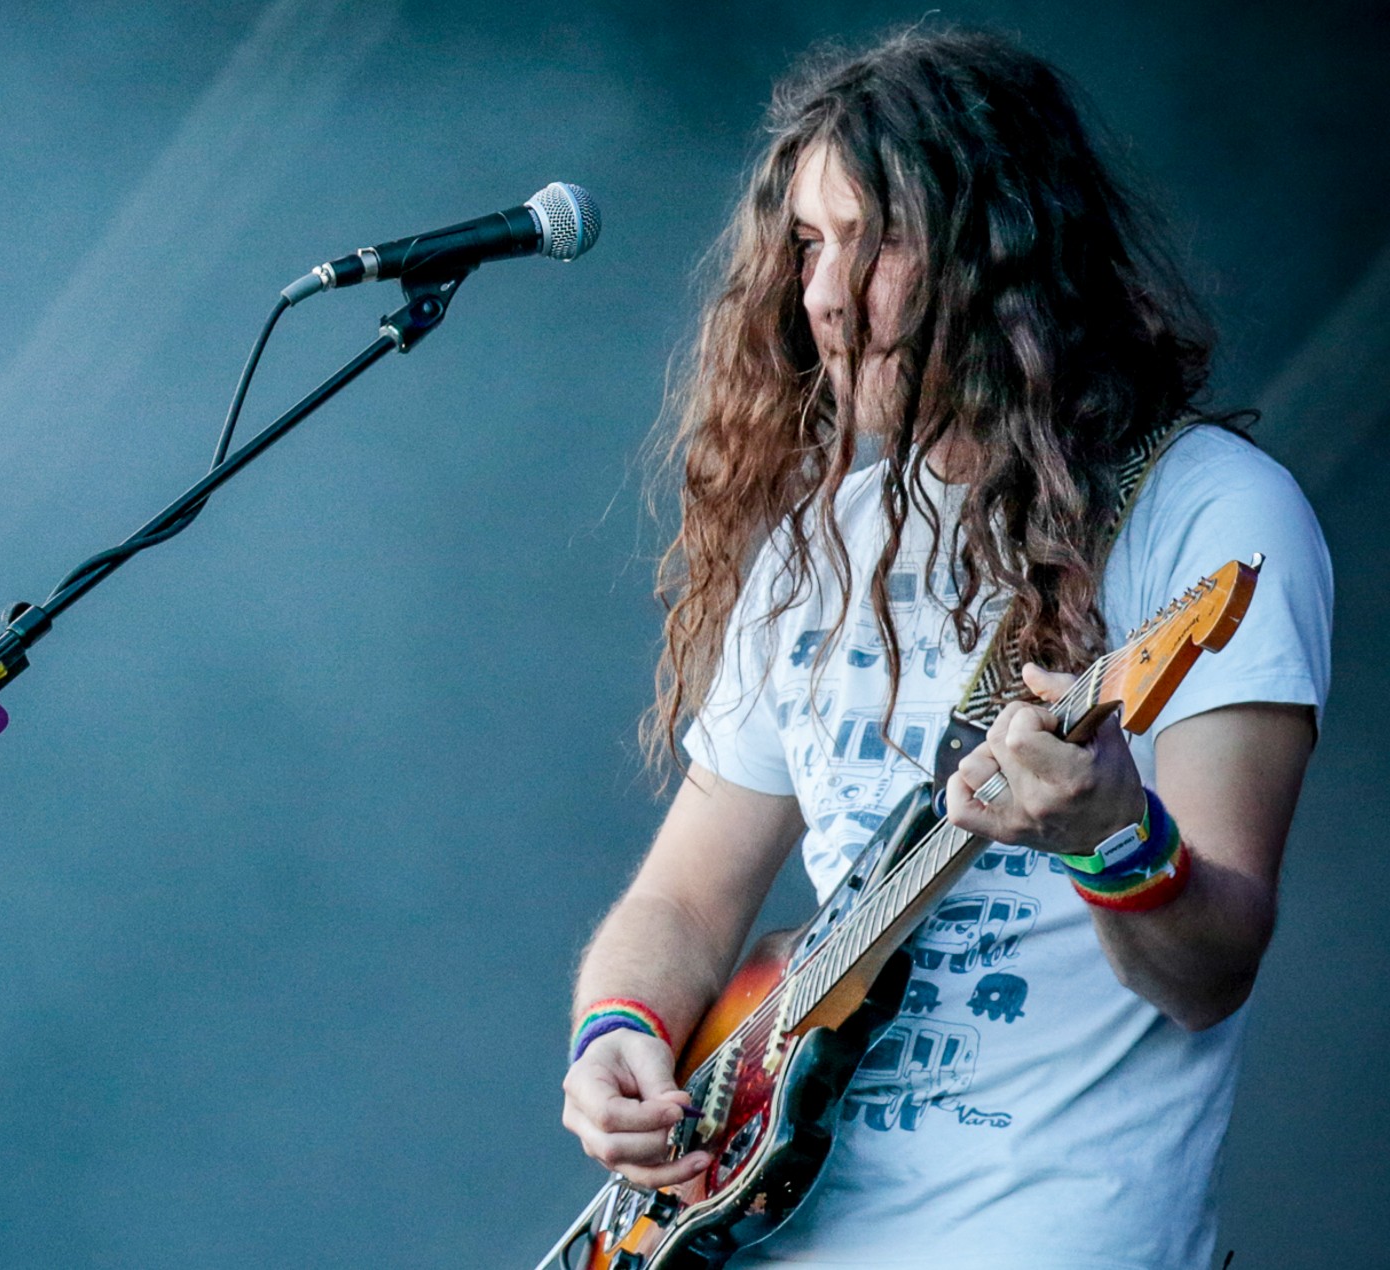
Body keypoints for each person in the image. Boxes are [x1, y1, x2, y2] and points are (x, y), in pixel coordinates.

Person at [560, 28, 1331, 1269]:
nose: (817, 290)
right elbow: (682, 897)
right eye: (807, 243)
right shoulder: (822, 541)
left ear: (1004, 248)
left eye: (873, 239)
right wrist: (616, 1032)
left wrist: (1110, 836)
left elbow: (1207, 972)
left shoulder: (1207, 518)